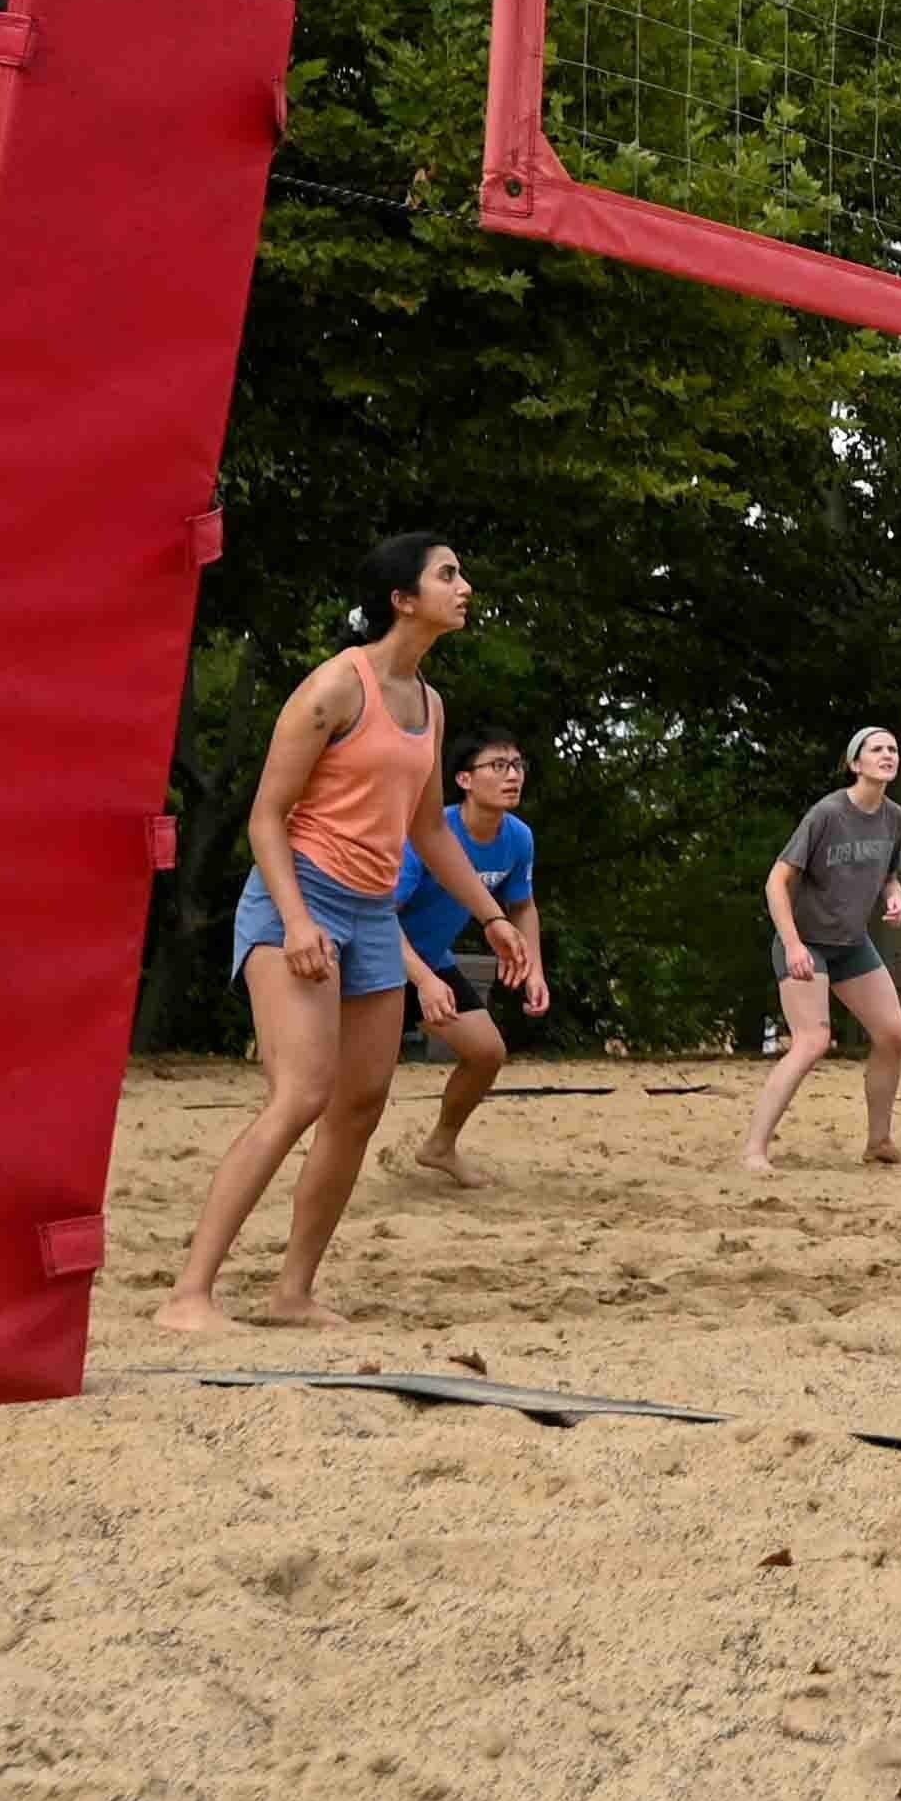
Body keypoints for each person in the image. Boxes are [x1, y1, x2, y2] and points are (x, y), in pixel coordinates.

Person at [159, 535, 534, 1326]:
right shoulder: (334, 686)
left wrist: (494, 918)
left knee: (359, 1107)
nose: (464, 586)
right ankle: (189, 1294)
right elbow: (267, 816)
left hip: (370, 914)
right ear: (403, 598)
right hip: (298, 898)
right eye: (448, 574)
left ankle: (291, 1293)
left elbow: (429, 830)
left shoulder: (430, 705)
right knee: (299, 1096)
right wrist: (295, 921)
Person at [742, 727, 901, 1173]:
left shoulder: (894, 817)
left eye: (893, 749)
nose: (887, 755)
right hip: (805, 942)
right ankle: (755, 1151)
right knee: (813, 1040)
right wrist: (794, 944)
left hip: (851, 944)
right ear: (855, 763)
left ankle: (879, 1142)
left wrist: (893, 896)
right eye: (876, 749)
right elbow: (776, 881)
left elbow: (889, 875)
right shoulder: (827, 813)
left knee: (894, 1035)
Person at [396, 724, 547, 1184]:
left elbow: (521, 905)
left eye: (518, 765)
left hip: (433, 960)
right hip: (379, 957)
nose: (512, 775)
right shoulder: (428, 834)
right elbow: (377, 917)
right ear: (464, 779)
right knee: (355, 1081)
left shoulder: (518, 838)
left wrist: (534, 969)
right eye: (498, 766)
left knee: (486, 1053)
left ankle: (440, 1146)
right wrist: (421, 980)